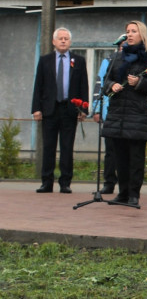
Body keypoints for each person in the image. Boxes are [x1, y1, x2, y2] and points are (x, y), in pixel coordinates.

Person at [102, 21, 147, 207]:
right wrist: (110, 86)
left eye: (133, 31)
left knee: (135, 159)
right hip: (117, 115)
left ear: (142, 35)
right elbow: (106, 80)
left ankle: (134, 195)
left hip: (137, 116)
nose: (129, 35)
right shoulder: (117, 58)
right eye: (127, 31)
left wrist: (139, 83)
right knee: (119, 158)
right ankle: (122, 193)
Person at [31, 27, 89, 194]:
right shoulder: (45, 60)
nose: (63, 41)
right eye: (60, 38)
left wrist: (83, 108)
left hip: (69, 109)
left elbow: (83, 85)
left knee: (67, 147)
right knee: (48, 147)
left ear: (70, 42)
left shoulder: (78, 61)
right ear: (54, 42)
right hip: (50, 109)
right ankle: (46, 182)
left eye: (66, 38)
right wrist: (36, 108)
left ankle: (65, 182)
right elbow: (38, 86)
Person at [92, 35, 126, 195]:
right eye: (121, 45)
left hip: (129, 115)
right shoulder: (109, 61)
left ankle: (126, 186)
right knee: (110, 151)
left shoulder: (138, 61)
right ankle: (109, 182)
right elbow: (100, 84)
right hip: (110, 113)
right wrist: (96, 109)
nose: (123, 47)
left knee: (126, 153)